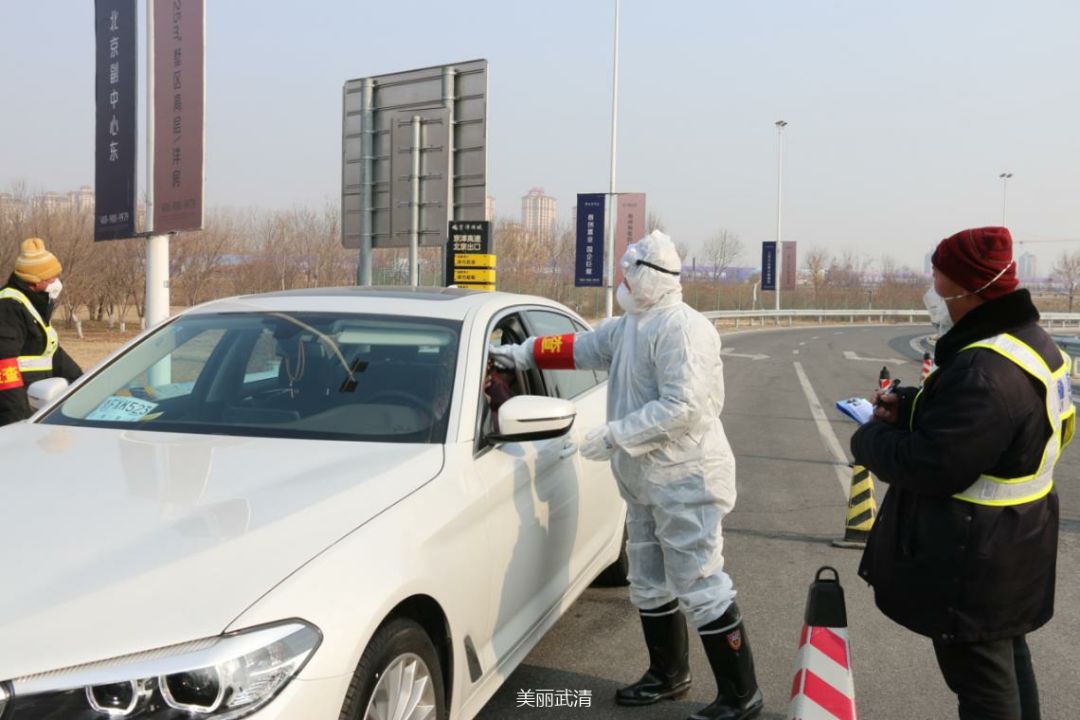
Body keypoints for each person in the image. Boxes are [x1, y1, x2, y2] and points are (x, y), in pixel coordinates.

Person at [490, 230, 762, 720]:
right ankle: (668, 674)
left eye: (627, 274)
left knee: (700, 582)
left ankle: (741, 695)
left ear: (647, 277)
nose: (621, 281)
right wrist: (521, 353)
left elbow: (684, 408)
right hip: (644, 480)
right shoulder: (633, 324)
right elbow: (582, 346)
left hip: (687, 480)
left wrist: (615, 434)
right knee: (650, 580)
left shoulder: (682, 329)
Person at [852, 227, 1074, 720]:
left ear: (969, 289)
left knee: (983, 683)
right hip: (1017, 536)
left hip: (974, 553)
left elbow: (932, 466)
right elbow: (1000, 428)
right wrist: (911, 406)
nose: (931, 289)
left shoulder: (983, 369)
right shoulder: (1032, 344)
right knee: (1007, 663)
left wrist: (869, 437)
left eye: (937, 277)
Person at [0, 238, 82, 425]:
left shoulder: (34, 305)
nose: (56, 282)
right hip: (17, 412)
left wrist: (83, 386)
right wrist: (18, 420)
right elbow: (4, 366)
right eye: (50, 278)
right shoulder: (8, 306)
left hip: (38, 407)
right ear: (34, 281)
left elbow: (51, 353)